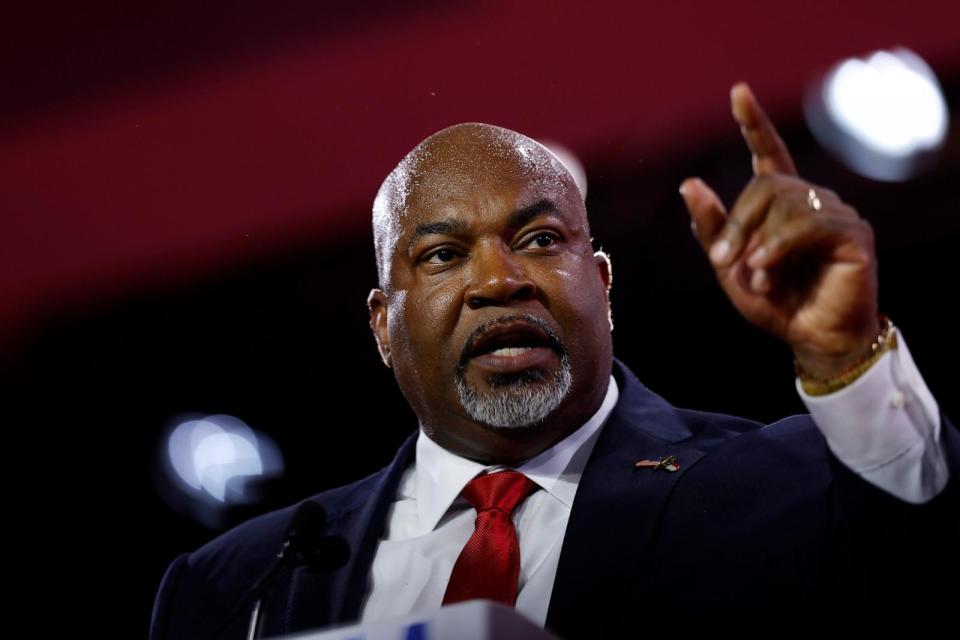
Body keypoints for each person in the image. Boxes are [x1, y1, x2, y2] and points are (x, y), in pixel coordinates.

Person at [150, 84, 958, 639]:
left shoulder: (791, 484)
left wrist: (847, 356)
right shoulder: (237, 587)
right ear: (381, 327)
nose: (500, 280)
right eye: (441, 255)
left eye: (540, 240)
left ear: (602, 286)